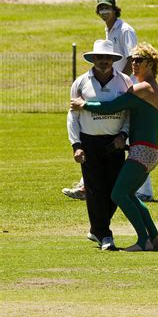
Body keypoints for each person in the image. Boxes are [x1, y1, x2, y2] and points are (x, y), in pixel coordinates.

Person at [70, 42, 158, 252]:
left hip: (142, 150)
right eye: (132, 60)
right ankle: (155, 238)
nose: (134, 64)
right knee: (129, 194)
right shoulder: (149, 86)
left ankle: (143, 241)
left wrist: (84, 104)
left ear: (150, 63)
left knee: (118, 194)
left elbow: (112, 107)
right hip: (147, 150)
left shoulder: (143, 87)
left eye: (139, 60)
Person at [62, 0, 154, 202]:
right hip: (114, 85)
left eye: (107, 8)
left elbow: (132, 56)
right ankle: (87, 185)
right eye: (100, 9)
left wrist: (115, 78)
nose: (104, 12)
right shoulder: (108, 30)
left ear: (115, 9)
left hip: (125, 88)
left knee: (130, 138)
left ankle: (144, 191)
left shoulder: (124, 29)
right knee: (101, 136)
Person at [67, 39, 132, 250]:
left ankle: (96, 229)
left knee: (115, 191)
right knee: (95, 190)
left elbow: (129, 113)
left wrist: (123, 135)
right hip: (89, 142)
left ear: (113, 59)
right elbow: (72, 116)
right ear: (93, 59)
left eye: (108, 58)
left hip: (115, 143)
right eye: (100, 58)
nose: (104, 61)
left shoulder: (123, 81)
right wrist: (76, 144)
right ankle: (105, 235)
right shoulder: (80, 82)